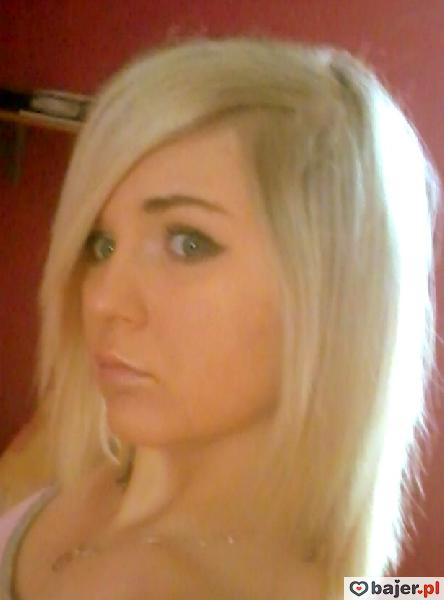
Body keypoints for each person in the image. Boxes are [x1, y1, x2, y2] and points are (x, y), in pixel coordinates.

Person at [0, 35, 440, 599]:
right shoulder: (68, 445)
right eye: (100, 244)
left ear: (334, 296)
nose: (103, 299)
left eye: (188, 243)